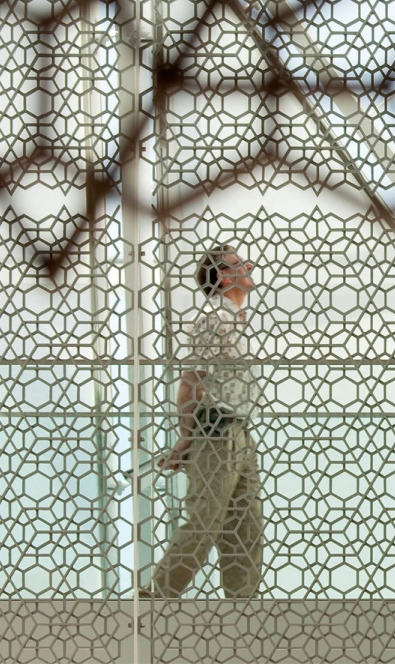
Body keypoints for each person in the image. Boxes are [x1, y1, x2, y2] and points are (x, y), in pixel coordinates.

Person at [140, 244, 264, 599]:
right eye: (240, 263)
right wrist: (186, 438)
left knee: (246, 524)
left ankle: (242, 603)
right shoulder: (215, 321)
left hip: (239, 430)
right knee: (205, 520)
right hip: (216, 430)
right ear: (224, 277)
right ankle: (158, 596)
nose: (249, 265)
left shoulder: (236, 322)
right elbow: (191, 380)